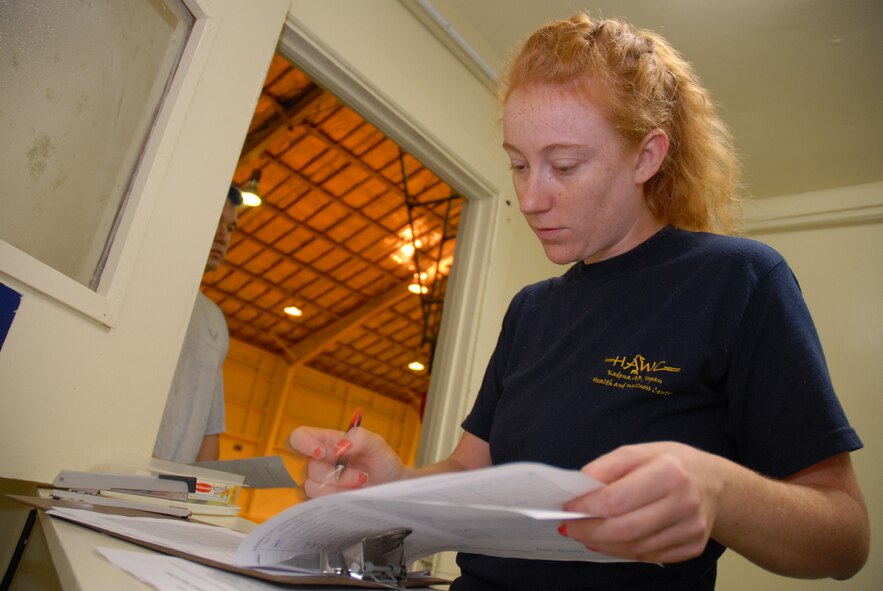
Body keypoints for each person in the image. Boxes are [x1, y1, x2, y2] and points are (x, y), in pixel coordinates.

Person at [289, 12, 869, 590]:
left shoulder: (738, 282)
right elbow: (470, 471)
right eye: (518, 163)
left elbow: (845, 538)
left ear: (647, 157)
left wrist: (721, 492)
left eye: (564, 166)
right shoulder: (530, 311)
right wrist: (391, 482)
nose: (531, 197)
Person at [153, 185, 242, 463]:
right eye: (215, 221)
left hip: (168, 499)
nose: (223, 236)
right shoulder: (144, 292)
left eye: (231, 228)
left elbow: (210, 429)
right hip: (107, 483)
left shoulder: (214, 319)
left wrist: (200, 496)